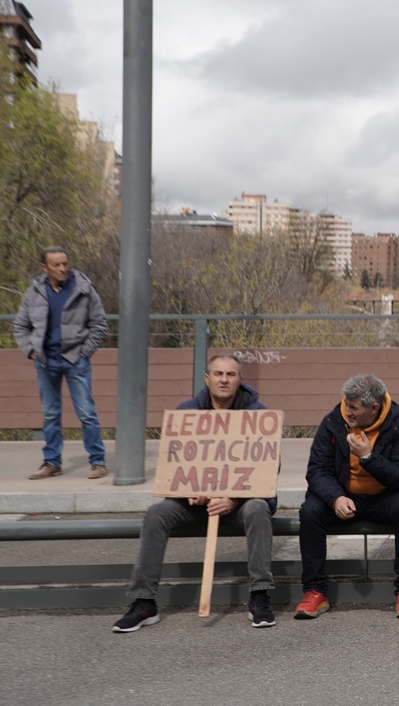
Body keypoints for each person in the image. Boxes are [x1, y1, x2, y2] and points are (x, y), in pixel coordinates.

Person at [112, 355, 275, 632]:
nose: (224, 379)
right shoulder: (186, 412)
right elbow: (176, 466)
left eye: (231, 374)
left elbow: (267, 471)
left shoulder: (257, 415)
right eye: (219, 373)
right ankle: (143, 602)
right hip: (193, 505)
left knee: (258, 509)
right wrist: (191, 490)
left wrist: (234, 498)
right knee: (156, 514)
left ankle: (259, 596)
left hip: (239, 505)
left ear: (240, 380)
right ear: (207, 379)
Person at [294, 374, 399, 620]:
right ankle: (314, 590)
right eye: (346, 404)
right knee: (310, 510)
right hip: (344, 496)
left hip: (384, 497)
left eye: (354, 407)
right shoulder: (333, 422)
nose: (348, 411)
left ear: (374, 408)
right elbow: (317, 471)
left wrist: (368, 457)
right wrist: (335, 498)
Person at [13, 246, 109, 480]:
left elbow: (100, 324)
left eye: (65, 263)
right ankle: (52, 463)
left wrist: (84, 352)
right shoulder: (35, 292)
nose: (63, 268)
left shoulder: (83, 289)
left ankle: (97, 462)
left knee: (86, 413)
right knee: (50, 414)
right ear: (44, 268)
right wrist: (31, 351)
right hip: (46, 361)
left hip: (76, 359)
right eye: (56, 265)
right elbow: (20, 325)